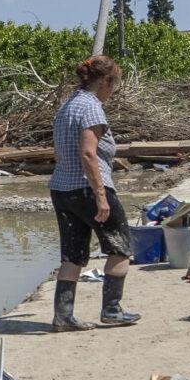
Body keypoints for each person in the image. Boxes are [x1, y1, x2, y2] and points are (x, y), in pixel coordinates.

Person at [48, 53, 140, 330]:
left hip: (62, 189)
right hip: (86, 188)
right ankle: (112, 310)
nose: (112, 91)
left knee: (73, 254)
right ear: (105, 81)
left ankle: (63, 316)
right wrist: (100, 195)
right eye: (113, 85)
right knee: (121, 246)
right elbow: (88, 154)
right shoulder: (91, 108)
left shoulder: (67, 107)